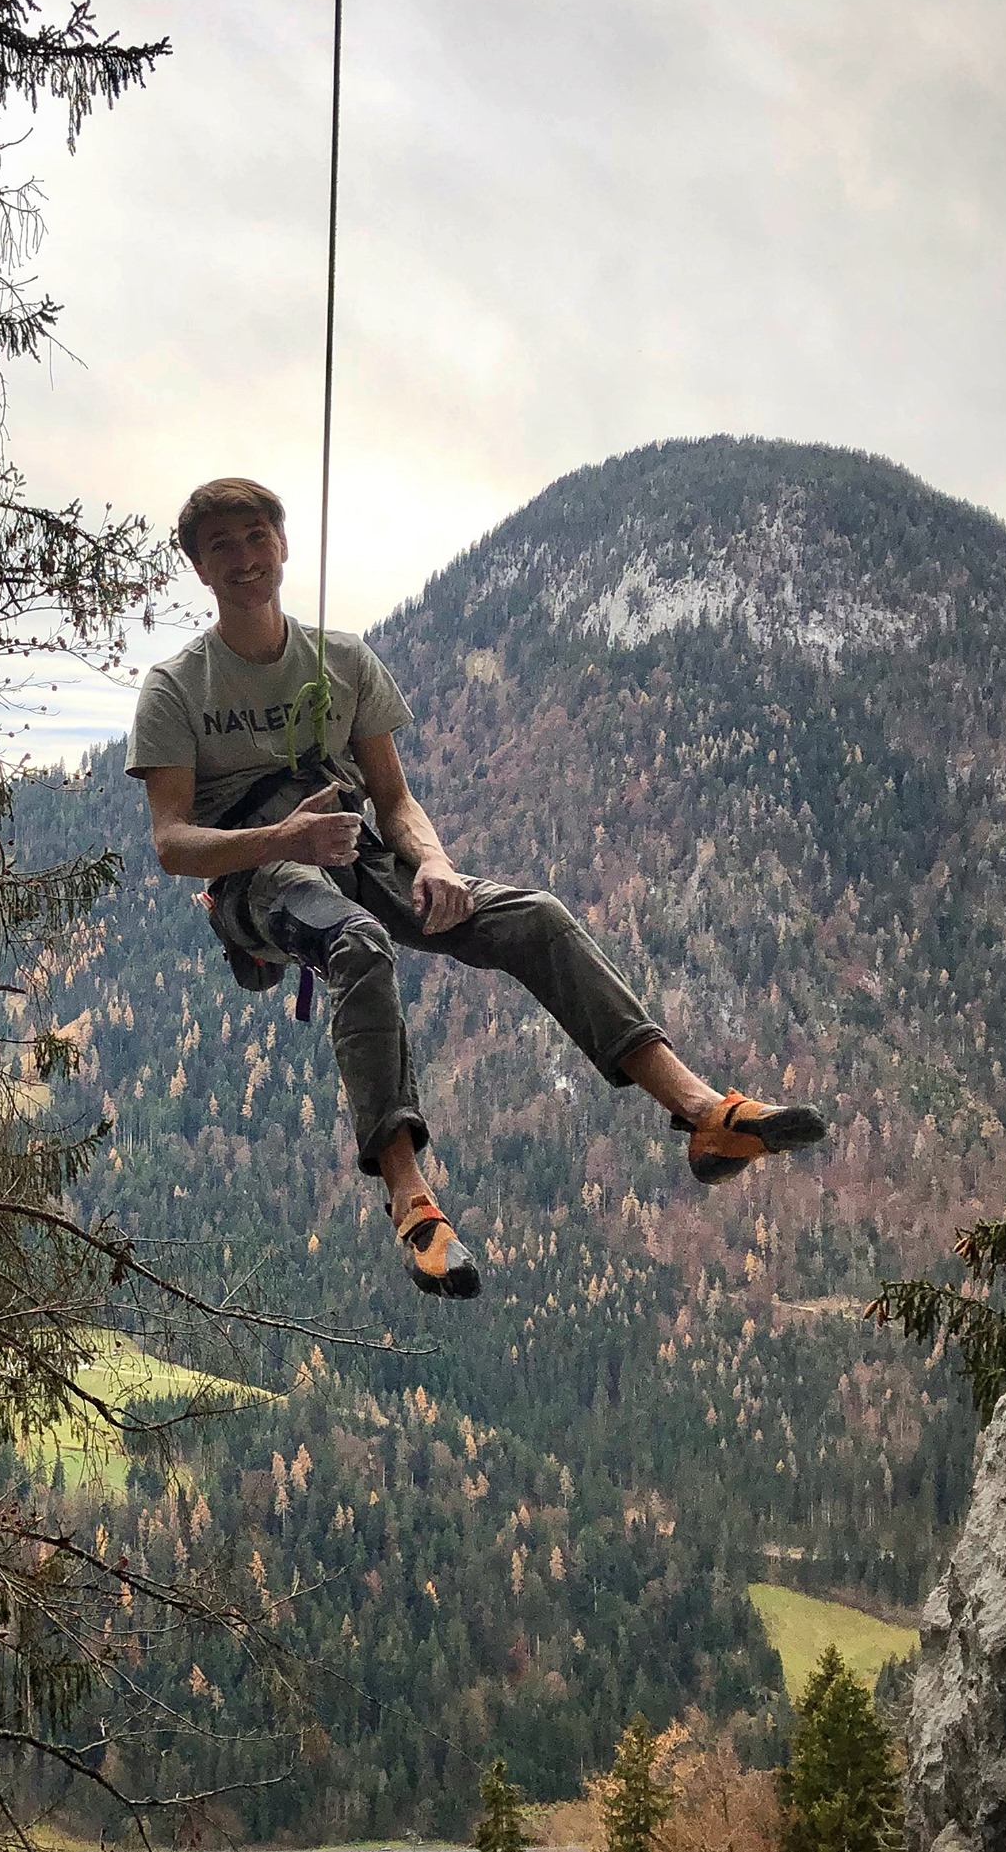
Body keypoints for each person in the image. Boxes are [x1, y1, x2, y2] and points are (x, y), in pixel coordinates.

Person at [126, 477, 827, 1299]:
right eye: (222, 548)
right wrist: (286, 839)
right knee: (356, 942)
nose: (244, 559)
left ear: (282, 545)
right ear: (200, 569)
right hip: (257, 878)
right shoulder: (178, 687)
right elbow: (173, 843)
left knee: (534, 915)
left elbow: (393, 798)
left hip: (357, 851)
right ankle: (411, 1200)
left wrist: (431, 863)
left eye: (255, 538)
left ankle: (701, 1112)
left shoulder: (342, 661)